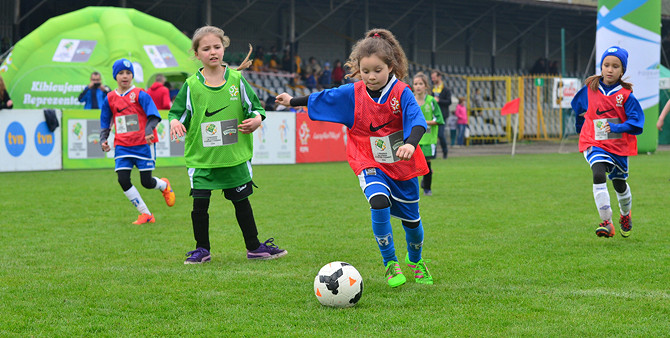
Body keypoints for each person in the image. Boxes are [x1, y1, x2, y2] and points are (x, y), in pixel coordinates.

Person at [276, 28, 433, 287]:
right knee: (379, 201)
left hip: (402, 164)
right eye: (365, 70)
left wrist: (410, 144)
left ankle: (415, 261)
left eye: (377, 70)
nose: (371, 76)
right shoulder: (354, 92)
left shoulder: (402, 92)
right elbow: (325, 96)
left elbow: (417, 121)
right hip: (368, 160)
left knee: (412, 222)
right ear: (358, 69)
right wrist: (293, 101)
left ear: (391, 67)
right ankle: (390, 264)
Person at [168, 26, 287, 264]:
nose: (212, 52)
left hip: (234, 156)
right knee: (200, 205)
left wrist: (256, 120)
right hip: (203, 159)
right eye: (206, 48)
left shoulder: (237, 80)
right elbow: (177, 113)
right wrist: (173, 124)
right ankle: (202, 249)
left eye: (217, 47)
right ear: (197, 53)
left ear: (224, 49)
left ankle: (254, 247)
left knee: (241, 202)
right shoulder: (191, 85)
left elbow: (256, 108)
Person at [571, 46, 644, 238]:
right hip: (594, 141)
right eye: (606, 65)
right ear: (601, 67)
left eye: (615, 66)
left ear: (622, 71)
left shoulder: (626, 96)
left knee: (619, 184)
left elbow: (637, 123)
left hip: (618, 145)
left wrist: (617, 128)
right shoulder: (590, 89)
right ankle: (606, 221)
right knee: (597, 172)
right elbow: (577, 108)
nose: (610, 69)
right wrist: (581, 128)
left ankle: (625, 215)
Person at [99, 59, 176, 225]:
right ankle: (146, 214)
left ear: (132, 75)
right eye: (121, 73)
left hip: (143, 145)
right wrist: (103, 140)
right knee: (123, 180)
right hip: (122, 145)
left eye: (128, 73)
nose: (125, 76)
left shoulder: (140, 94)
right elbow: (105, 121)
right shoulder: (110, 98)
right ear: (115, 76)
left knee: (146, 182)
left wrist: (148, 132)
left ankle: (163, 185)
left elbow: (154, 116)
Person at [412, 72, 444, 196]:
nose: (418, 86)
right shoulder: (410, 100)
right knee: (412, 166)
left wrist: (424, 123)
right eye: (415, 84)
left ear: (426, 86)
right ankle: (414, 189)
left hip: (428, 138)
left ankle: (427, 188)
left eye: (420, 83)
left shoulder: (431, 101)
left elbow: (439, 119)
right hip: (413, 139)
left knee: (426, 164)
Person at [430, 70, 451, 158]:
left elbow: (449, 101)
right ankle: (433, 154)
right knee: (433, 135)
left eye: (434, 77)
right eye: (432, 78)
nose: (433, 79)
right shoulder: (432, 89)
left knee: (440, 135)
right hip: (433, 116)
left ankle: (445, 152)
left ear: (439, 77)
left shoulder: (446, 89)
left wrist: (439, 100)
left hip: (442, 115)